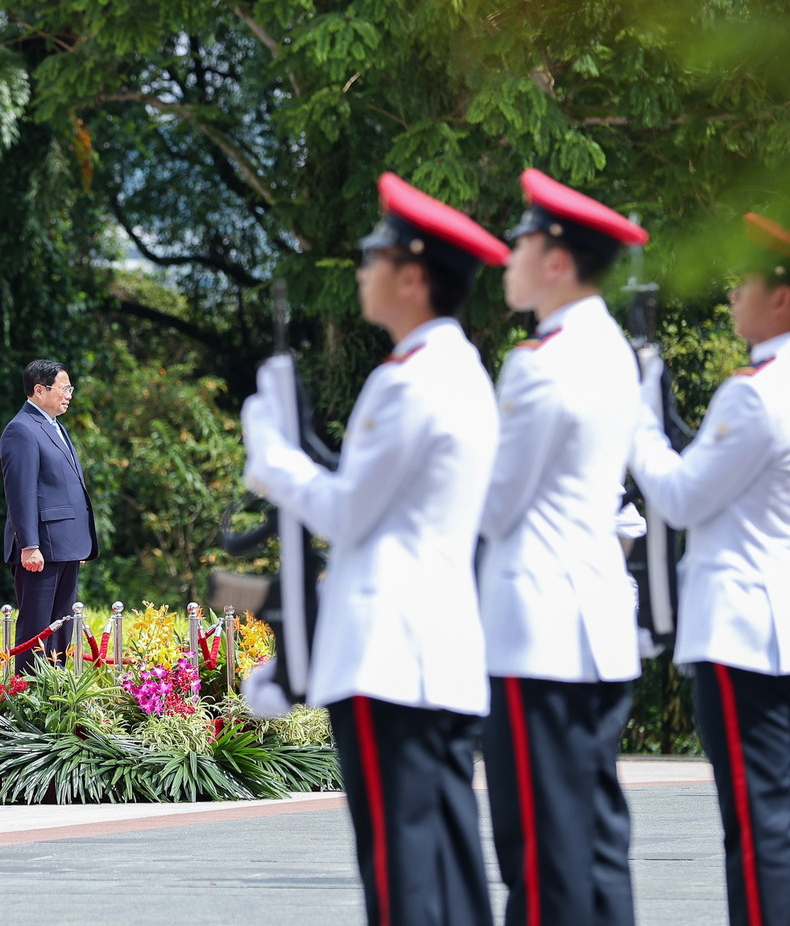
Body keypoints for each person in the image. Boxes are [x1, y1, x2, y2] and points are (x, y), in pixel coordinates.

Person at [243, 173, 507, 926]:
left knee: (403, 880)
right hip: (434, 650)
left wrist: (271, 450)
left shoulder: (410, 380)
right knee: (446, 872)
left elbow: (348, 511)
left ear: (414, 275)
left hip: (393, 657)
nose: (364, 270)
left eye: (375, 256)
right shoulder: (459, 369)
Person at [630, 213, 790, 925]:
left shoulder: (754, 392)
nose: (731, 297)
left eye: (744, 284)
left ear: (781, 298)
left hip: (742, 635)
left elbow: (681, 496)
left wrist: (641, 421)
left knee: (756, 828)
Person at [477, 168, 646, 926]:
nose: (508, 256)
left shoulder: (539, 363)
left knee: (540, 854)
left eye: (520, 241)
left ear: (555, 259)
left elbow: (495, 503)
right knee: (595, 840)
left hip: (539, 633)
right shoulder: (611, 347)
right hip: (598, 625)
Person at [0, 360, 97, 673]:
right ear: (39, 390)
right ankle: (28, 699)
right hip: (40, 547)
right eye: (63, 388)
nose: (69, 394)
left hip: (65, 545)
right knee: (36, 629)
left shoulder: (55, 425)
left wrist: (77, 539)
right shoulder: (21, 429)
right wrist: (29, 544)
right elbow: (21, 492)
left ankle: (53, 695)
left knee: (61, 628)